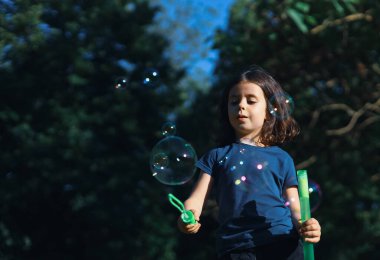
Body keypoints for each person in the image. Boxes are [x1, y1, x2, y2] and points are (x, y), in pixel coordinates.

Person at [177, 65, 321, 259]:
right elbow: (196, 199)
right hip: (236, 248)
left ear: (269, 112)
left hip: (282, 243)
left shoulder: (282, 158)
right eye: (234, 101)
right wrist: (188, 216)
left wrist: (306, 225)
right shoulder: (216, 156)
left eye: (251, 101)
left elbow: (295, 206)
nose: (241, 106)